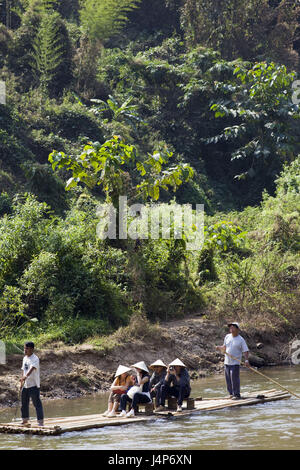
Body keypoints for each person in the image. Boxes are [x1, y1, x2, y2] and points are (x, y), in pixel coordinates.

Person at [216, 322, 250, 400]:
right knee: (228, 378)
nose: (231, 328)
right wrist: (219, 347)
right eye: (230, 327)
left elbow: (245, 351)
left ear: (237, 329)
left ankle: (237, 394)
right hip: (227, 362)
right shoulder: (227, 336)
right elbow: (224, 347)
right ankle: (231, 393)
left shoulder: (241, 339)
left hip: (235, 362)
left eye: (233, 327)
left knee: (234, 378)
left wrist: (246, 360)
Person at [20, 342, 44, 427]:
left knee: (36, 403)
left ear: (31, 349)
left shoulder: (35, 358)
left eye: (26, 348)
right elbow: (23, 369)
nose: (25, 350)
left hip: (33, 384)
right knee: (24, 403)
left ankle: (40, 422)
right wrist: (22, 379)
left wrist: (26, 376)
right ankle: (25, 420)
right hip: (25, 385)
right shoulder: (24, 358)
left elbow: (32, 368)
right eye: (24, 348)